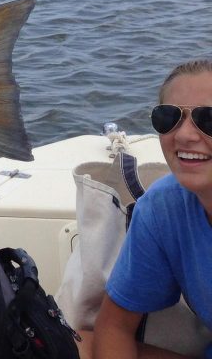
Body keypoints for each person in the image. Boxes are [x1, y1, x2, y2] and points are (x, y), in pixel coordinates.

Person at [92, 59, 212, 359]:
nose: (184, 135)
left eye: (208, 119)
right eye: (169, 117)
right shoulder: (164, 208)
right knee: (73, 342)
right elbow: (114, 327)